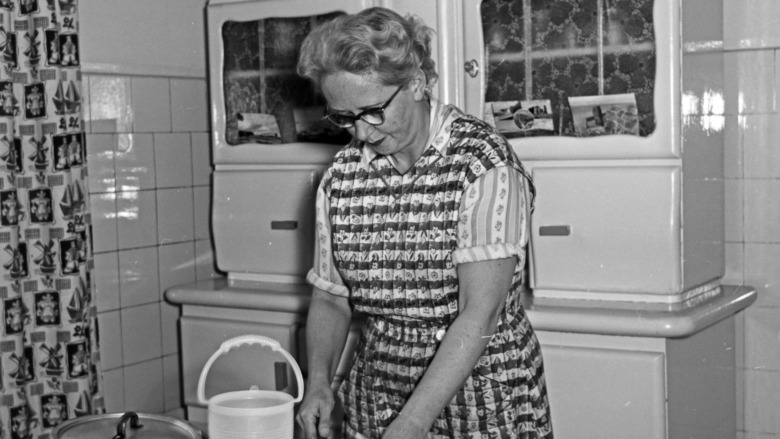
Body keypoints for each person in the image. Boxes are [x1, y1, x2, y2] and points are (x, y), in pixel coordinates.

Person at [295, 7, 552, 439]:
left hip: (481, 399)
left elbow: (479, 314)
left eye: (372, 111)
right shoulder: (341, 177)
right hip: (377, 396)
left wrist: (413, 422)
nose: (360, 133)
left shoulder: (482, 164)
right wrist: (318, 381)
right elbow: (330, 297)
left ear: (416, 83)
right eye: (343, 116)